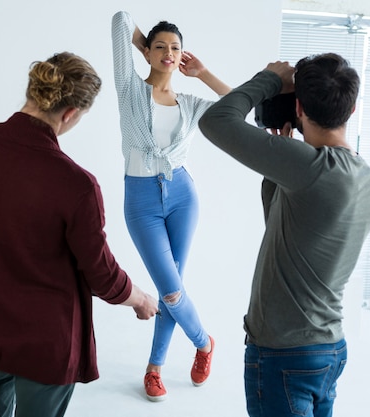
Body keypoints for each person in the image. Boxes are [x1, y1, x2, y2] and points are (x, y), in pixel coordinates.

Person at [0, 51, 159, 417]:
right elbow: (101, 275)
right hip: (46, 347)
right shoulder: (77, 184)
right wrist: (141, 299)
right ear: (70, 114)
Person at [198, 53, 370, 417]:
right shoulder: (365, 177)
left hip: (284, 355)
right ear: (353, 108)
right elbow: (284, 229)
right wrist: (275, 171)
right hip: (327, 349)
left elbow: (215, 121)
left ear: (297, 106)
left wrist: (268, 79)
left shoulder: (307, 167)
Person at [111, 10, 231, 402]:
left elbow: (238, 107)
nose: (168, 53)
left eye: (175, 48)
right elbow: (119, 19)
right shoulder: (130, 88)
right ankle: (204, 342)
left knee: (170, 288)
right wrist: (144, 43)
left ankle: (154, 368)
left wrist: (204, 73)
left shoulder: (191, 103)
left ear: (183, 57)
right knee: (173, 292)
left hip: (182, 196)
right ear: (146, 52)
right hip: (141, 199)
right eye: (160, 46)